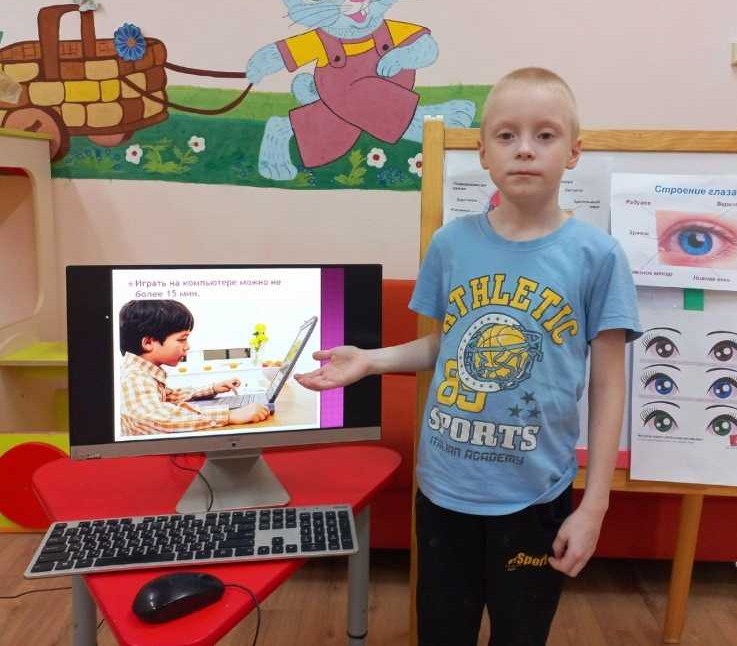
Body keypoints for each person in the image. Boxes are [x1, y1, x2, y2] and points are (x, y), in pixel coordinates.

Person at [295, 67, 641, 645]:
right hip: (444, 492)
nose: (524, 149)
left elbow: (609, 384)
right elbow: (448, 344)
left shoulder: (598, 256)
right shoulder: (451, 244)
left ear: (574, 152)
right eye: (506, 135)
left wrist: (595, 506)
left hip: (536, 496)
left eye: (545, 135)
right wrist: (372, 360)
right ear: (483, 153)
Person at [118, 299, 270, 435]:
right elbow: (159, 417)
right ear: (148, 343)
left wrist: (212, 388)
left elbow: (169, 397)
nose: (187, 346)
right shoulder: (134, 377)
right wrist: (230, 415)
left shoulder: (143, 372)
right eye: (182, 339)